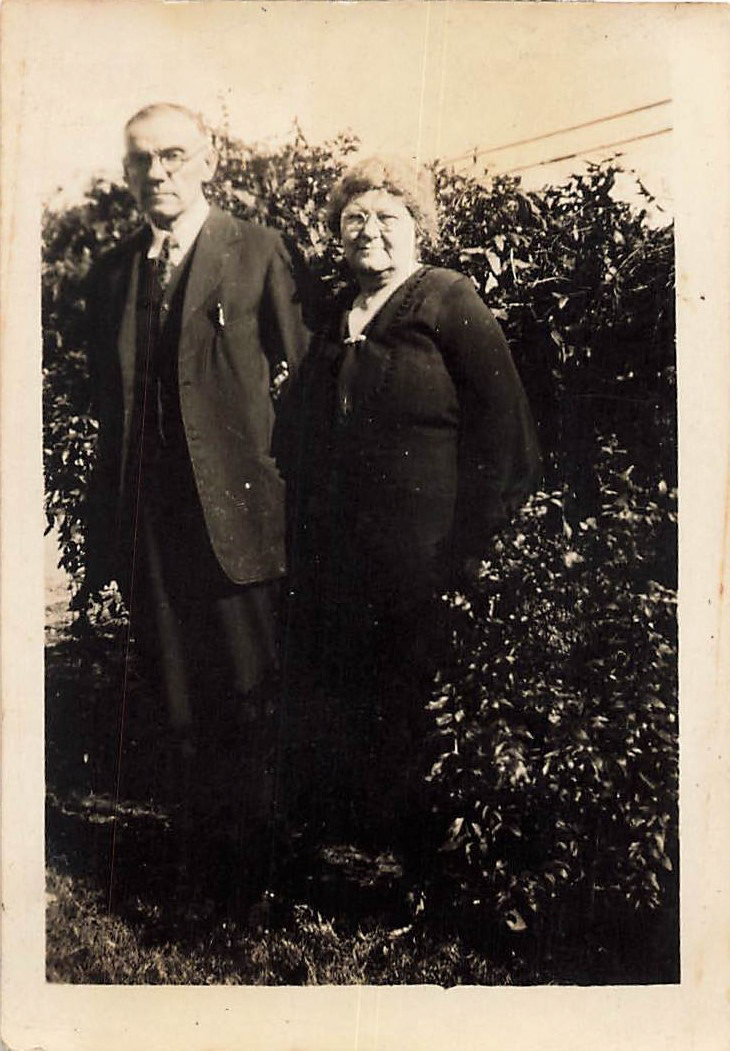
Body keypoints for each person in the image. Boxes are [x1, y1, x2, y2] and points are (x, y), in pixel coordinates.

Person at [281, 156, 541, 879]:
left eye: (387, 217)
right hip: (346, 561)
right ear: (337, 233)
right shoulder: (336, 317)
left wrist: (477, 547)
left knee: (422, 705)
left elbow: (506, 429)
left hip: (431, 560)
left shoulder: (448, 298)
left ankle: (430, 874)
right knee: (358, 701)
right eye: (354, 218)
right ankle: (367, 848)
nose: (370, 230)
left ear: (417, 226)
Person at [83, 103, 309, 903]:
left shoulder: (259, 250)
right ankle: (196, 868)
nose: (158, 172)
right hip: (150, 527)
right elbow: (108, 410)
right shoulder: (111, 274)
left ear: (208, 160)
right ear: (126, 171)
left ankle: (258, 879)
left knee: (248, 696)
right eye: (141, 159)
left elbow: (309, 382)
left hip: (239, 519)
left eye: (174, 154)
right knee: (175, 699)